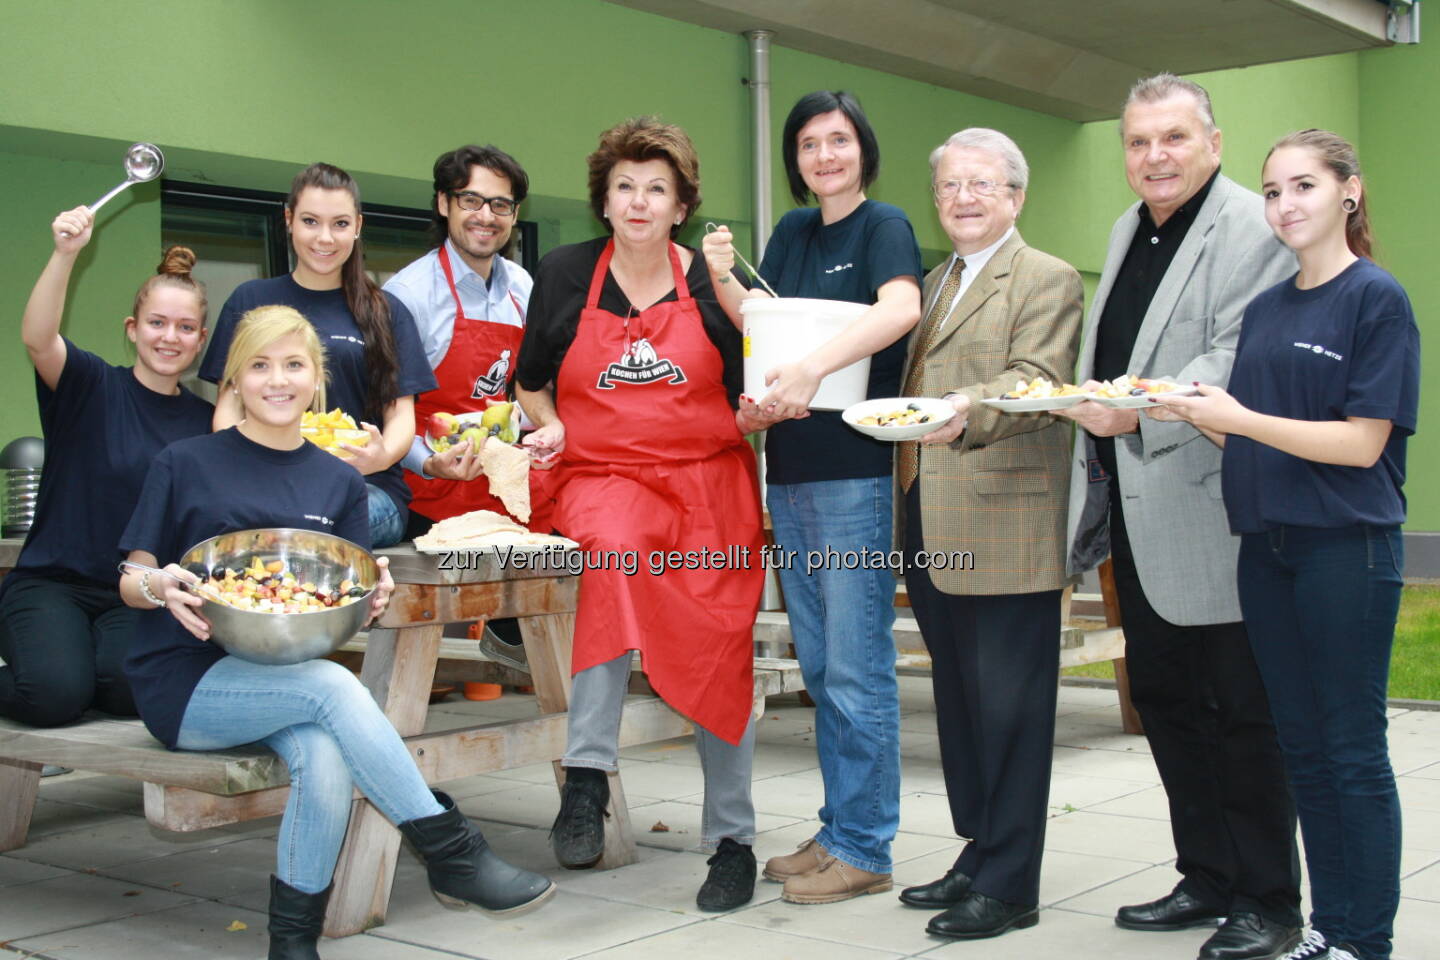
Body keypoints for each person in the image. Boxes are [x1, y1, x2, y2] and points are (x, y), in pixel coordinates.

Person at [120, 306, 554, 960]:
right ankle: (451, 850)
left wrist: (368, 597)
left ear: (316, 379)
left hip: (286, 675)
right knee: (329, 689)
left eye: (294, 365)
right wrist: (160, 587)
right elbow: (131, 574)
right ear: (233, 379)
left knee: (323, 755)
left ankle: (292, 946)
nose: (278, 380)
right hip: (187, 679)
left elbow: (335, 602)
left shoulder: (337, 482)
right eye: (260, 365)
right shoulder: (185, 462)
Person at [1152, 130, 1418, 960]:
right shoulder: (1268, 311)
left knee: (1350, 751)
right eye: (1270, 191)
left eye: (1302, 186)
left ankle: (1363, 941)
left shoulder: (1377, 299)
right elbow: (1259, 442)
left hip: (1346, 549)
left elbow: (1361, 443)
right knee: (1300, 748)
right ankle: (1329, 931)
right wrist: (1196, 413)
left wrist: (1235, 416)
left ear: (1349, 192)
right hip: (1267, 550)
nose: (1284, 205)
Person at [1058, 73, 1303, 960]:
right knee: (1164, 699)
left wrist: (1133, 408)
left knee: (1241, 711)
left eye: (1172, 138)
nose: (1153, 156)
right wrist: (1095, 404)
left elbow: (1236, 352)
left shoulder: (1251, 226)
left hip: (1214, 506)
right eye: (1137, 141)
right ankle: (1205, 875)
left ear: (1214, 142)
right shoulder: (1131, 228)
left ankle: (1270, 899)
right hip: (1135, 503)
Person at [514, 117, 766, 912]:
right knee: (613, 556)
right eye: (624, 187)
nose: (638, 201)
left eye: (656, 188)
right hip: (604, 473)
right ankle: (587, 776)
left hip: (707, 483)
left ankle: (732, 842)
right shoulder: (562, 273)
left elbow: (760, 379)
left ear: (682, 204)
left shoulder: (715, 285)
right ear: (604, 200)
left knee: (721, 645)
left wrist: (761, 409)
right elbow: (530, 381)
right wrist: (547, 422)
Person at [703, 90, 923, 904]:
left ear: (863, 147)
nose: (825, 155)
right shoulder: (792, 233)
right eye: (808, 144)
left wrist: (811, 371)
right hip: (788, 471)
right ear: (795, 159)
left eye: (839, 140)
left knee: (858, 669)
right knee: (824, 666)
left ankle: (866, 845)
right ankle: (840, 829)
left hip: (853, 470)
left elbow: (900, 309)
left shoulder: (884, 226)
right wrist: (725, 278)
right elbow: (761, 324)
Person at [895, 129, 1082, 940]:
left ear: (1015, 196)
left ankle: (1012, 884)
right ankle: (980, 852)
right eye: (948, 187)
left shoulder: (1047, 277)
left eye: (981, 184)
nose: (962, 198)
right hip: (931, 518)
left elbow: (1036, 379)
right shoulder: (934, 283)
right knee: (962, 703)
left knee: (1011, 709)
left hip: (1006, 521)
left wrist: (961, 409)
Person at [0, 206, 213, 728]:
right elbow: (37, 338)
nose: (170, 337)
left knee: (129, 691)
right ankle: (56, 672)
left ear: (201, 338)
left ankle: (77, 671)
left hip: (137, 594)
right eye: (158, 323)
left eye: (185, 328)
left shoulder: (207, 421)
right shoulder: (91, 386)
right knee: (53, 696)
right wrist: (65, 252)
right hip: (53, 583)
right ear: (133, 328)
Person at [199, 163, 437, 548]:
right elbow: (228, 408)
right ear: (289, 220)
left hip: (365, 490)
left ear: (357, 227)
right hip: (264, 483)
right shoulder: (250, 300)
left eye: (340, 224)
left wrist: (379, 457)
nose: (325, 238)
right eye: (311, 221)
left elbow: (400, 417)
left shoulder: (387, 311)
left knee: (296, 531)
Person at [383, 144, 546, 536]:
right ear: (444, 203)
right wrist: (429, 462)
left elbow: (534, 385)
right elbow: (383, 409)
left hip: (507, 485)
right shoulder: (407, 294)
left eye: (501, 204)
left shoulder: (523, 286)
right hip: (430, 493)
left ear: (515, 214)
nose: (486, 216)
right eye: (471, 200)